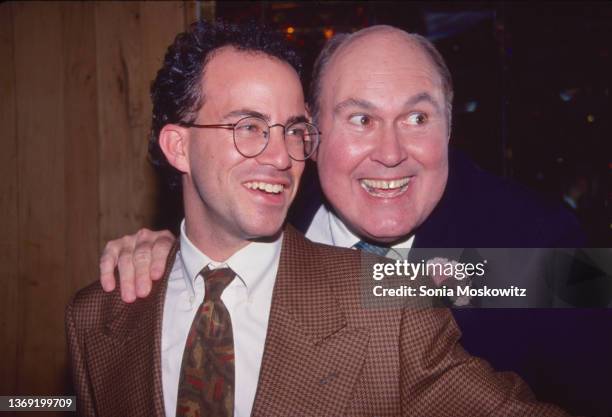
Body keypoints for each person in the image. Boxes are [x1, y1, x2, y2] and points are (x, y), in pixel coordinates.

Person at [94, 24, 608, 415]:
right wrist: (178, 261)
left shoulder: (539, 240)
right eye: (361, 119)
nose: (391, 152)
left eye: (417, 118)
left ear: (449, 128)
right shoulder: (268, 200)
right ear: (309, 135)